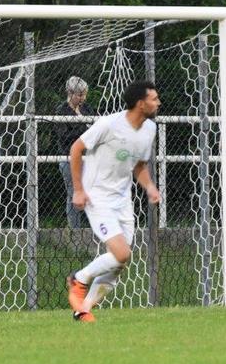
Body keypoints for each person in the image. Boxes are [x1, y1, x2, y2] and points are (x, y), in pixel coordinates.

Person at [66, 80, 161, 323]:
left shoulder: (150, 129)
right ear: (140, 104)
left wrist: (150, 187)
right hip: (97, 196)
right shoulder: (109, 124)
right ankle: (78, 279)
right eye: (153, 99)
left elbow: (139, 165)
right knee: (121, 252)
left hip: (123, 199)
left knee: (119, 262)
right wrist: (78, 190)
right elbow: (76, 149)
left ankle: (83, 310)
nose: (158, 102)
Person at [55, 76, 96, 228]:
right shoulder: (61, 111)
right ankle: (75, 230)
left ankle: (96, 227)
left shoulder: (87, 109)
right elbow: (64, 136)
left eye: (84, 94)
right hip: (70, 158)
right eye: (79, 95)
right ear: (70, 93)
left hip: (89, 157)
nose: (82, 98)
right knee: (74, 191)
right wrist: (84, 130)